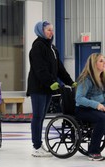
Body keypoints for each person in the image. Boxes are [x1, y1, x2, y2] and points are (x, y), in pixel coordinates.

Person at [26, 21, 76, 157]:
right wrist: (51, 82)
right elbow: (39, 69)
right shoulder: (37, 47)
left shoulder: (53, 48)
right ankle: (36, 146)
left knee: (42, 117)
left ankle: (39, 144)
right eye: (48, 30)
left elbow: (60, 68)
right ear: (41, 31)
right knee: (37, 116)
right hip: (38, 88)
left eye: (52, 30)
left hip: (48, 88)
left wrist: (70, 82)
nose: (51, 32)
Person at [75, 53, 105, 161]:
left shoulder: (102, 79)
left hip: (96, 109)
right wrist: (96, 105)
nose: (104, 63)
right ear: (94, 64)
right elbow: (79, 98)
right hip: (83, 109)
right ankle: (93, 151)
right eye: (101, 61)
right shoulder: (86, 79)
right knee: (102, 119)